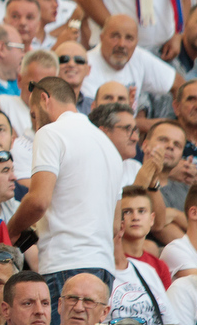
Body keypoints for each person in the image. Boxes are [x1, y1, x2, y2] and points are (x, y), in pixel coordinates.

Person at [7, 77, 124, 304]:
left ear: (44, 99)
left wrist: (10, 231)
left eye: (33, 114)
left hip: (65, 265)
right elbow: (114, 225)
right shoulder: (108, 145)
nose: (35, 124)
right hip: (103, 269)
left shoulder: (51, 132)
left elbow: (38, 201)